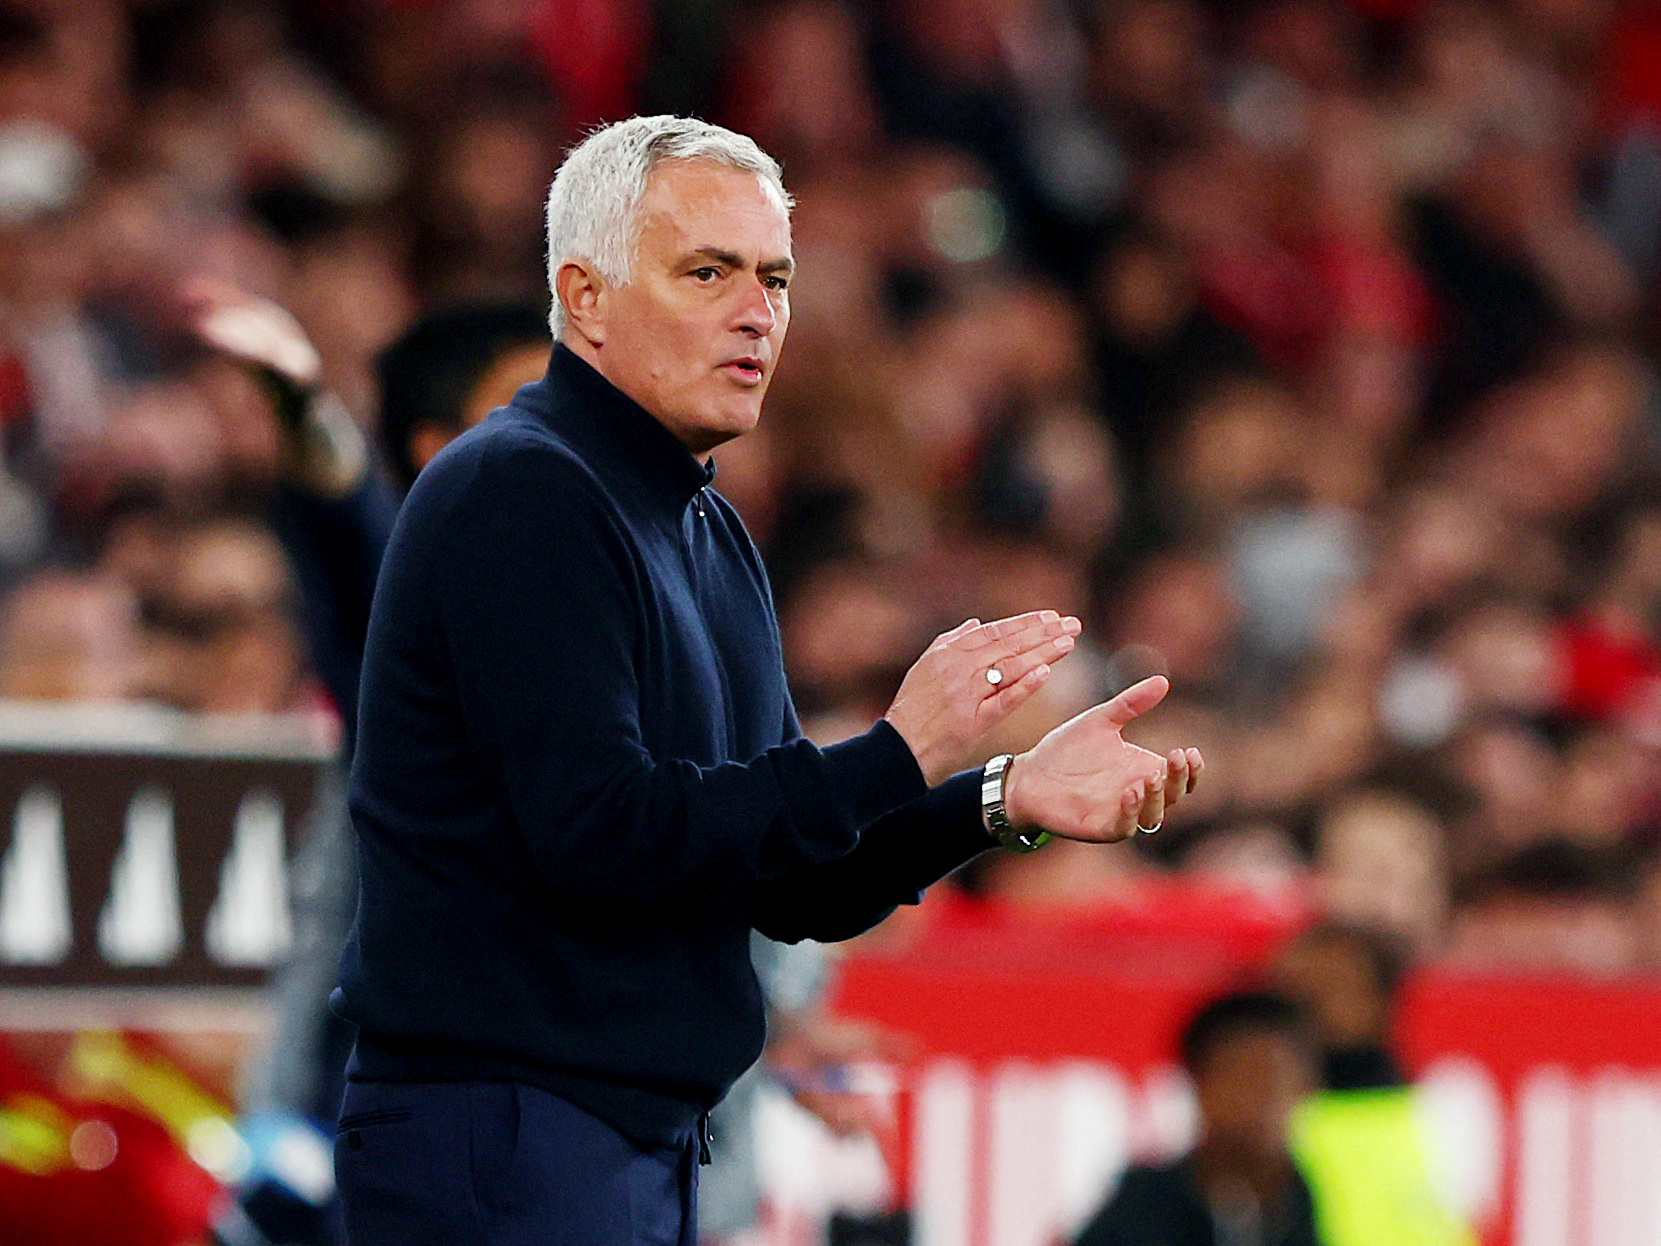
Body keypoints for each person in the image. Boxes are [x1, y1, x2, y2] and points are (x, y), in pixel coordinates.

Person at [330, 114, 1204, 1246]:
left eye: (774, 278)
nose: (757, 312)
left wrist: (998, 794)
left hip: (622, 1139)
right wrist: (896, 750)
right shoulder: (519, 492)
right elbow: (600, 833)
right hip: (506, 1136)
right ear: (585, 297)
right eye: (707, 271)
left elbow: (793, 884)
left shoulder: (706, 527)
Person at [1072, 992, 1321, 1246]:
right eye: (1239, 1074)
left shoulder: (1333, 1198)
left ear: (1308, 1086)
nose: (1260, 1094)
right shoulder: (1143, 1207)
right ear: (1197, 1083)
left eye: (1276, 1074)